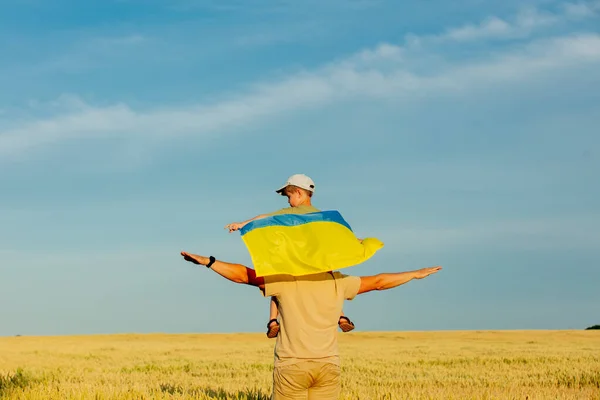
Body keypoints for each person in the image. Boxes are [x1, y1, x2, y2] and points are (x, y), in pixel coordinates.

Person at [179, 250, 441, 400]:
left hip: (293, 365)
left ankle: (274, 320)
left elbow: (243, 275)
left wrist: (210, 262)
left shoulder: (284, 280)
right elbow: (380, 281)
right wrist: (414, 274)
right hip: (327, 365)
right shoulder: (337, 281)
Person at [224, 174, 356, 338]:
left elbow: (263, 218)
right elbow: (339, 234)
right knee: (330, 283)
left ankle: (273, 320)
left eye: (289, 196)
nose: (288, 201)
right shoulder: (321, 216)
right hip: (317, 261)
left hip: (293, 260)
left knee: (278, 284)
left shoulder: (290, 212)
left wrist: (241, 224)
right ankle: (341, 316)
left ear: (299, 193)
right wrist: (358, 241)